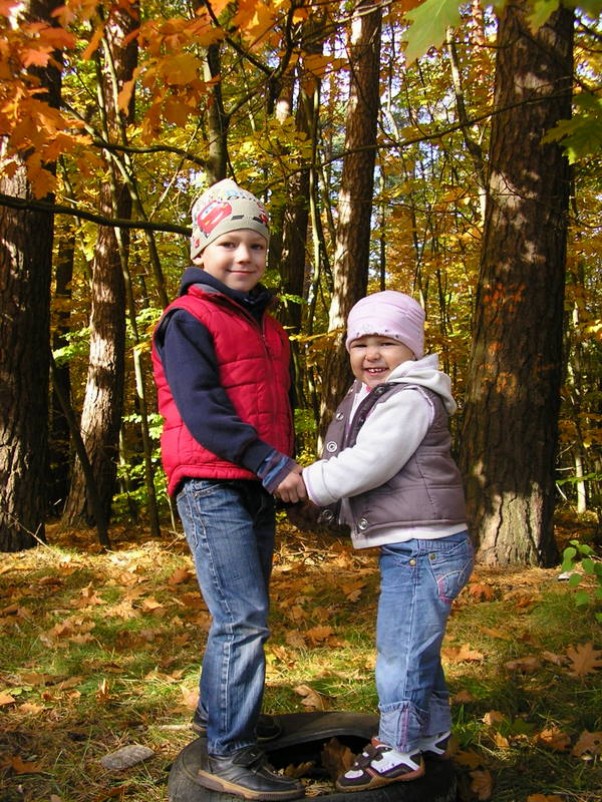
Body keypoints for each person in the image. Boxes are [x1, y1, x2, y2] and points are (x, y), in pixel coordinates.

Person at [152, 178, 306, 801]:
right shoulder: (187, 319)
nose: (244, 257)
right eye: (229, 244)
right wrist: (269, 462)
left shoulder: (268, 324)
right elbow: (203, 411)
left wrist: (281, 467)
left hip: (254, 483)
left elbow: (277, 406)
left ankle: (221, 713)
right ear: (201, 248)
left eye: (256, 246)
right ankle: (230, 749)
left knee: (245, 611)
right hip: (212, 482)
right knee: (241, 617)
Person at [292, 290, 474, 792]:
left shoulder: (409, 398)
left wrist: (310, 482)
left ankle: (397, 749)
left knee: (400, 651)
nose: (371, 355)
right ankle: (432, 735)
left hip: (425, 548)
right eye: (360, 344)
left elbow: (373, 461)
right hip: (420, 545)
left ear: (412, 349)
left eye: (386, 343)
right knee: (420, 649)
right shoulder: (381, 395)